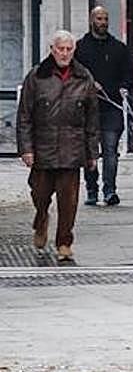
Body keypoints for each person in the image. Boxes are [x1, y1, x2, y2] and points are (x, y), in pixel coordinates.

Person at [16, 31, 99, 262]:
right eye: (60, 49)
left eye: (68, 49)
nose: (64, 53)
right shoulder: (36, 76)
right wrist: (26, 149)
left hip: (73, 149)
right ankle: (41, 218)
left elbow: (92, 119)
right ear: (52, 49)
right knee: (40, 193)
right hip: (43, 147)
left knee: (68, 201)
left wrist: (92, 152)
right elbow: (24, 116)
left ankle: (64, 242)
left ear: (74, 50)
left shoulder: (84, 77)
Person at [74, 6, 133, 206]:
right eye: (99, 18)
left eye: (106, 19)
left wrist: (124, 87)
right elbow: (74, 75)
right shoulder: (80, 48)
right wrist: (89, 84)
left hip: (112, 107)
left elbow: (129, 72)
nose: (103, 22)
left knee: (110, 150)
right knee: (90, 152)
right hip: (86, 109)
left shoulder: (119, 48)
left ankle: (110, 191)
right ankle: (92, 190)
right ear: (91, 20)